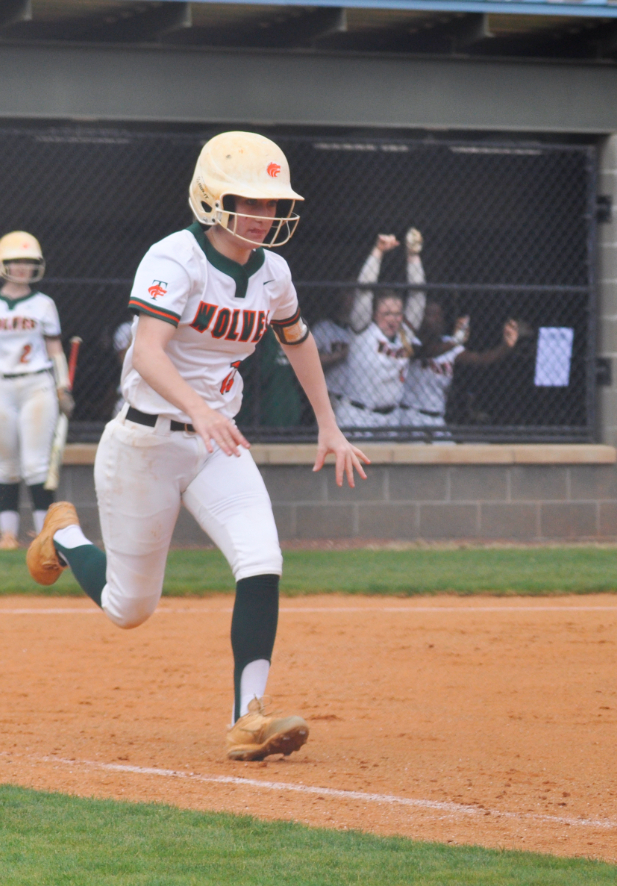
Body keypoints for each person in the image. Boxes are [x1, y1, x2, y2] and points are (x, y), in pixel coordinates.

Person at [25, 130, 368, 762]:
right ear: (212, 198)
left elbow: (296, 340)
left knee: (261, 559)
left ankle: (247, 719)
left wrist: (328, 422)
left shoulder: (275, 272)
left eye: (272, 203)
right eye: (250, 201)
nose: (264, 215)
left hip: (217, 443)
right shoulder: (174, 257)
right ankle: (64, 540)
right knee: (130, 608)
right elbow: (146, 352)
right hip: (144, 442)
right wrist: (199, 408)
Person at [0, 231, 72, 550]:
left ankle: (44, 534)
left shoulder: (44, 304)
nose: (22, 267)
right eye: (15, 261)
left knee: (37, 464)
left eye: (29, 261)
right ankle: (7, 534)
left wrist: (62, 386)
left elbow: (55, 349)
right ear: (1, 264)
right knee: (5, 462)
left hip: (36, 383)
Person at [336, 230, 426, 431]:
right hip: (357, 416)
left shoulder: (405, 335)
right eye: (386, 314)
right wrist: (377, 252)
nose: (393, 319)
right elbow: (364, 290)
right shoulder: (363, 330)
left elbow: (418, 296)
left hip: (391, 418)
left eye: (397, 314)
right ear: (375, 315)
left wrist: (413, 256)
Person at [399, 297, 521, 439]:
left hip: (436, 417)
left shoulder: (448, 343)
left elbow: (479, 359)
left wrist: (506, 347)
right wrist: (455, 341)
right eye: (431, 314)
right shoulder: (412, 343)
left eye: (439, 315)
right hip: (411, 415)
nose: (437, 319)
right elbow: (425, 352)